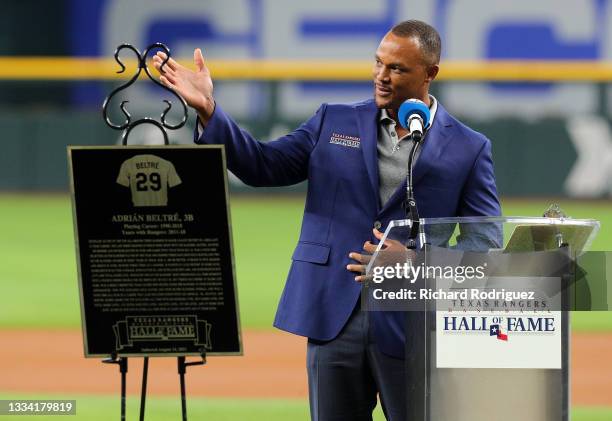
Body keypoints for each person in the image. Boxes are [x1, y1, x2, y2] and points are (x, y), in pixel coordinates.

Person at [153, 20, 500, 421]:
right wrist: (210, 112)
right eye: (378, 64)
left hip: (415, 325)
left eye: (398, 69)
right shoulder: (333, 121)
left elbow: (485, 245)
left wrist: (414, 263)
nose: (382, 77)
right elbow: (263, 166)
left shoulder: (469, 148)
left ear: (430, 74)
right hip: (334, 318)